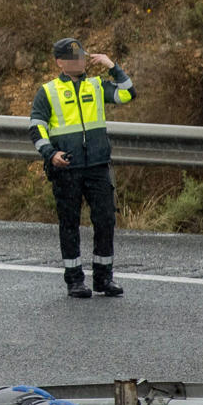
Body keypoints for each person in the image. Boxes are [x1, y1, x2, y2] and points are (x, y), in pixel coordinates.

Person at [28, 38, 135, 299]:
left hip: (97, 165)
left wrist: (112, 66)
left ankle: (103, 278)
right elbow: (36, 127)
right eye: (74, 57)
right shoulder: (48, 91)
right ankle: (75, 280)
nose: (81, 61)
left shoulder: (96, 85)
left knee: (106, 220)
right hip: (67, 167)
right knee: (69, 224)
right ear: (60, 62)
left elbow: (128, 92)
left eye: (82, 56)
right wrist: (50, 154)